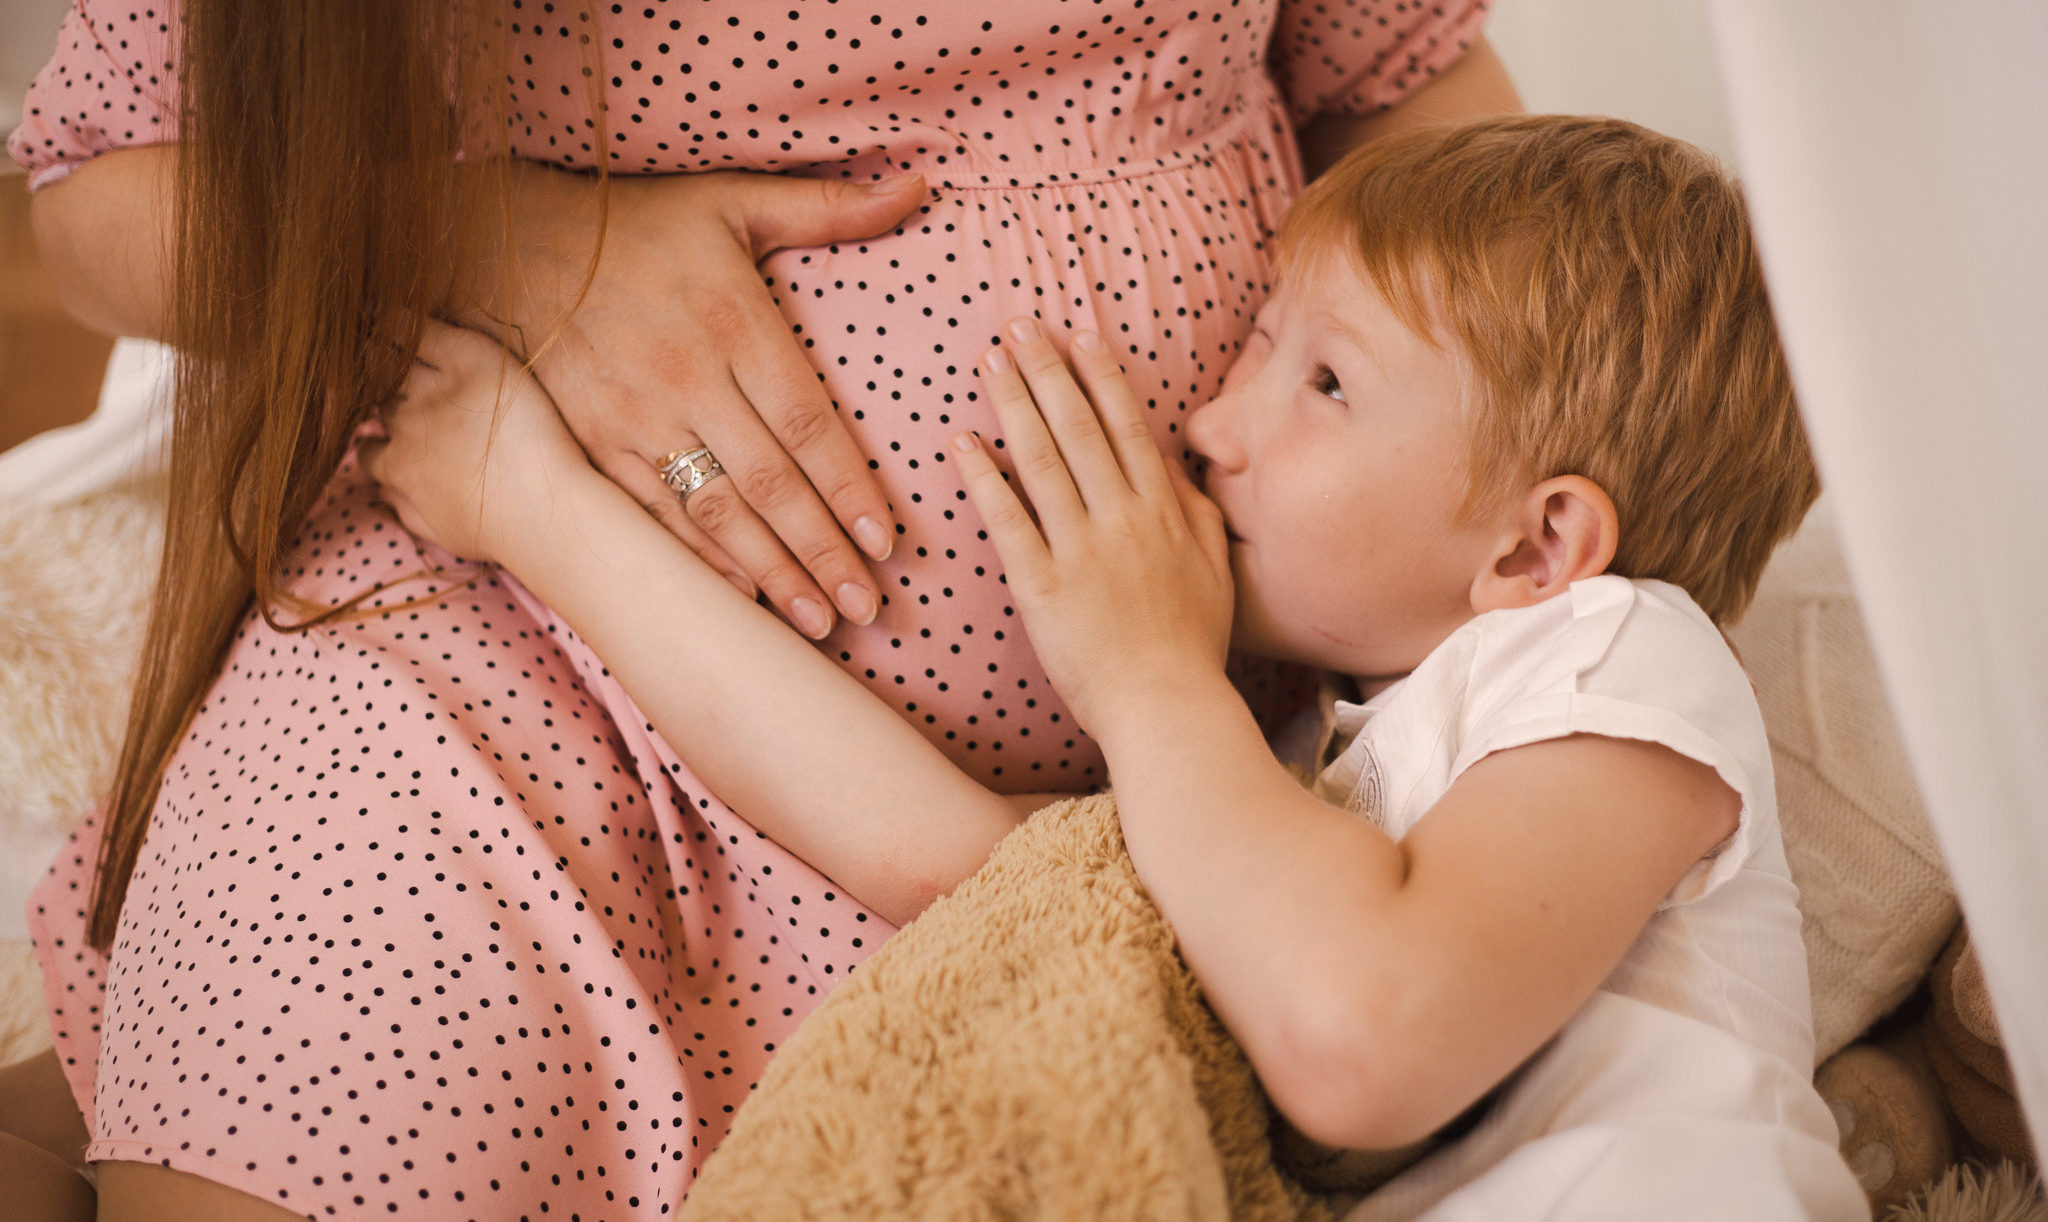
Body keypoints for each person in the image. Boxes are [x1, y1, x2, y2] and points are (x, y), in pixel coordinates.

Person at [1, 0, 1522, 1218]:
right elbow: (101, 194)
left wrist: (1535, 454)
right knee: (302, 1097)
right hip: (510, 645)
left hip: (1137, 763)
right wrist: (507, 240)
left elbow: (1407, 80)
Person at [368, 115, 1867, 1218]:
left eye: (1326, 380)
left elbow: (1362, 1037)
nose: (1215, 421)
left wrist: (1149, 677)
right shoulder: (1316, 774)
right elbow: (940, 848)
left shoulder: (1624, 658)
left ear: (1538, 552)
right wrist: (540, 509)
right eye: (1257, 342)